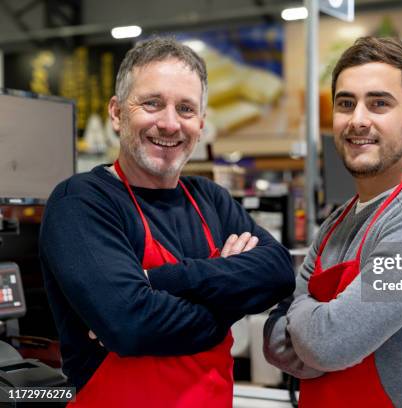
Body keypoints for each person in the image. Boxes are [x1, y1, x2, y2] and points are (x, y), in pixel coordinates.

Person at [39, 37, 295, 407]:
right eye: (152, 103)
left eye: (186, 109)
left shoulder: (210, 198)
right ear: (116, 113)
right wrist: (228, 301)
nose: (170, 123)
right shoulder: (81, 202)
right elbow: (131, 326)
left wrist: (161, 282)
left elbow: (277, 272)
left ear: (201, 123)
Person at [263, 36, 402, 408]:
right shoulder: (337, 220)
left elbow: (328, 344)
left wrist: (296, 312)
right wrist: (313, 323)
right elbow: (275, 345)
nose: (358, 120)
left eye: (379, 103)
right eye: (346, 104)